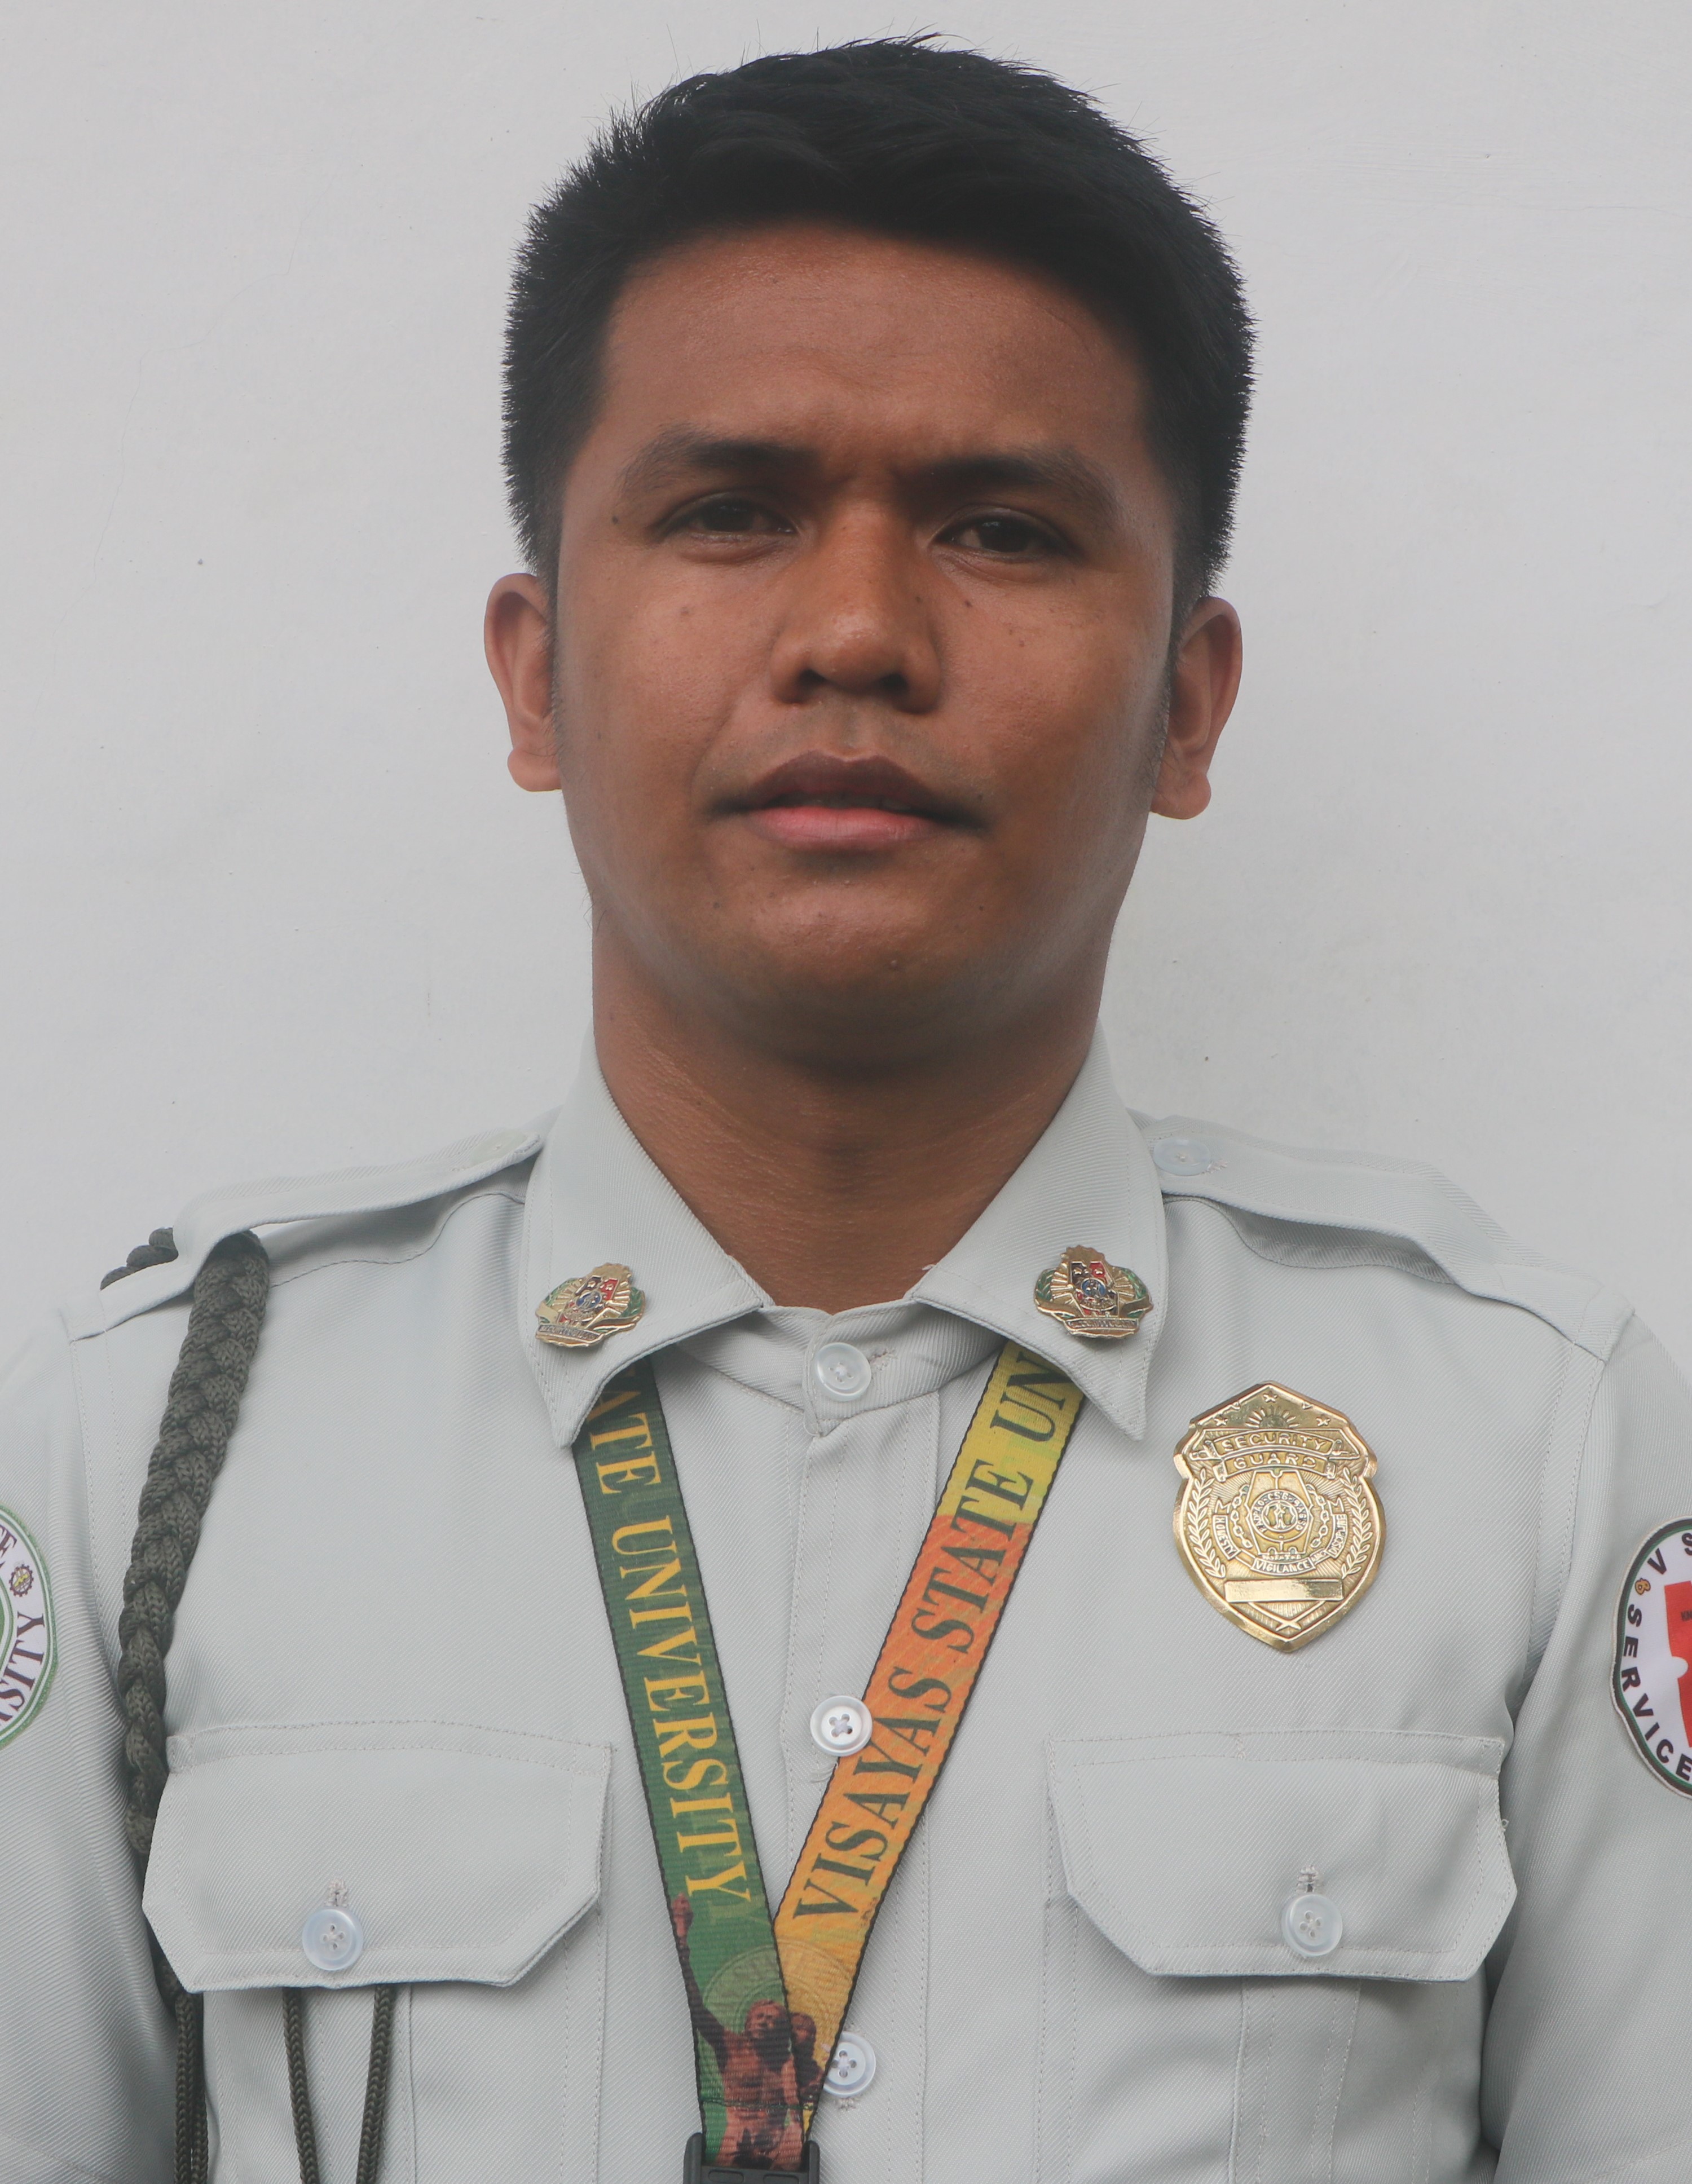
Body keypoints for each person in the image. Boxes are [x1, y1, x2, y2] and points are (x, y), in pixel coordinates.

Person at [1, 33, 1689, 2184]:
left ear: (1187, 703)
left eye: (1002, 528)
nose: (860, 631)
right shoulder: (152, 1453)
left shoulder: (1529, 1455)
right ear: (536, 670)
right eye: (731, 512)